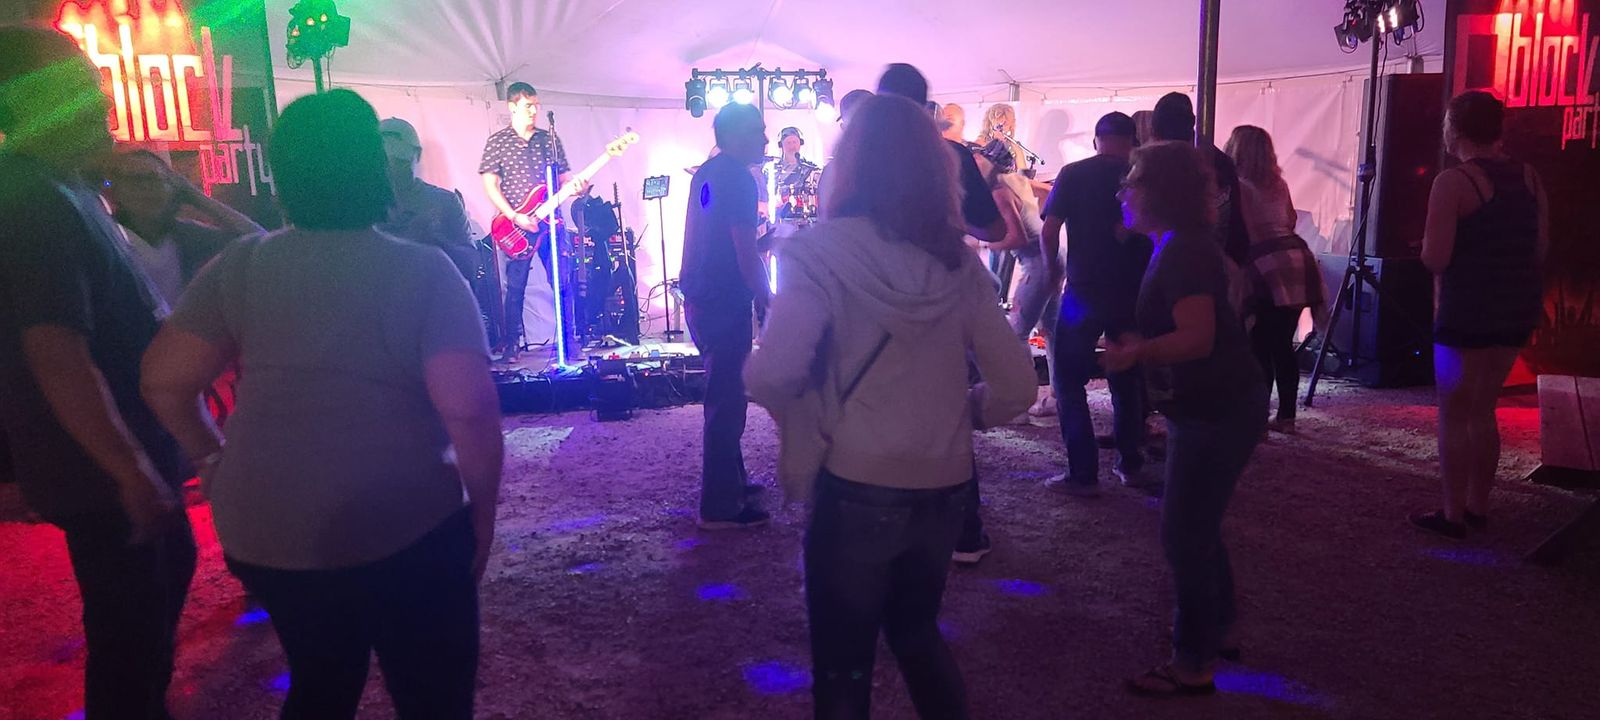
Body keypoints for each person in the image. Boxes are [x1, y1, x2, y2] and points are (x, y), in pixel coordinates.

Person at [140, 89, 503, 719]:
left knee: (320, 678)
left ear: (281, 176)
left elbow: (162, 381)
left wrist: (210, 456)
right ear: (377, 169)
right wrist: (483, 515)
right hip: (404, 522)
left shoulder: (242, 264)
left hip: (265, 525)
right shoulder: (424, 271)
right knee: (434, 694)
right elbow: (469, 411)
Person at [746, 93, 1036, 720]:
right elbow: (1018, 387)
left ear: (849, 163)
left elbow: (771, 373)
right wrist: (967, 411)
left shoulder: (818, 252)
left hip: (856, 477)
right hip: (943, 479)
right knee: (916, 632)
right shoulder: (958, 262)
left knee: (843, 664)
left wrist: (810, 414)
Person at [0, 26, 196, 718]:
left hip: (118, 450)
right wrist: (129, 470)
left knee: (157, 590)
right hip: (100, 464)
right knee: (130, 629)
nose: (103, 98)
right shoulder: (34, 201)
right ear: (30, 102)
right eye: (82, 85)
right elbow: (55, 350)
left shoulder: (64, 187)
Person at [1103, 141, 1266, 698]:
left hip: (1217, 408)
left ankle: (1192, 663)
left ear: (1161, 192)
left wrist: (1137, 353)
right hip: (1212, 404)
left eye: (1131, 181)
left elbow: (1198, 339)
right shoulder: (1178, 244)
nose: (1122, 192)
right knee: (1199, 524)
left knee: (1183, 534)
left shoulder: (1184, 252)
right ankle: (1219, 627)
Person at [876, 62, 1009, 565]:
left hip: (878, 298)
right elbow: (995, 231)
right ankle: (963, 533)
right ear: (926, 106)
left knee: (881, 407)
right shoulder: (950, 156)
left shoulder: (862, 161)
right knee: (947, 408)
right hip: (939, 295)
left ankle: (892, 528)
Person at [1409, 91, 1547, 539]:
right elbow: (1539, 248)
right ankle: (1478, 507)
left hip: (1465, 312)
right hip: (1515, 308)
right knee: (1485, 410)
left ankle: (1452, 514)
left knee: (1454, 413)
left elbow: (1435, 257)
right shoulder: (1530, 178)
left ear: (1455, 129)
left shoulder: (1453, 182)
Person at [1041, 112, 1154, 494]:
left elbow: (1049, 229)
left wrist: (1053, 271)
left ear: (1096, 140)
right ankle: (1130, 463)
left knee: (1068, 380)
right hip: (1130, 291)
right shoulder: (1141, 174)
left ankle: (1083, 473)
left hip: (1083, 289)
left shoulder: (1073, 173)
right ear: (1132, 140)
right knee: (1126, 377)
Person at [680, 103, 772, 530]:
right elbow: (743, 251)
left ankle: (731, 484)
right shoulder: (738, 179)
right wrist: (767, 297)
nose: (766, 139)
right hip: (722, 297)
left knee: (725, 393)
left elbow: (719, 237)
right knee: (727, 400)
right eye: (758, 131)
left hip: (701, 295)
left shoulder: (708, 172)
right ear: (735, 135)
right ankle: (719, 506)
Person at [1226, 125, 1325, 435]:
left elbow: (1244, 229)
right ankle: (1286, 416)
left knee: (1259, 344)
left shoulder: (1239, 185)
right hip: (1297, 258)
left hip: (1265, 262)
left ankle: (1257, 419)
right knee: (1282, 343)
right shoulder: (1279, 183)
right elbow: (1291, 220)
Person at [478, 82, 574, 363]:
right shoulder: (498, 142)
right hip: (518, 225)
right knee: (515, 288)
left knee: (562, 282)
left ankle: (569, 341)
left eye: (536, 106)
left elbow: (565, 179)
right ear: (512, 107)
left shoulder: (549, 140)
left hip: (550, 223)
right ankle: (512, 345)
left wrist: (576, 187)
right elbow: (490, 185)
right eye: (528, 106)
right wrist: (513, 215)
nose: (534, 111)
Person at [97, 148, 264, 307]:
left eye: (155, 179)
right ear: (115, 190)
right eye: (135, 179)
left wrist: (196, 197)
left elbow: (259, 240)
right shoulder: (103, 237)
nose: (146, 188)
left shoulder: (188, 235)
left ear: (174, 188)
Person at [1151, 92, 1249, 267]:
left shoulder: (1165, 163)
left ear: (1156, 131)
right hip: (1222, 257)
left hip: (1196, 260)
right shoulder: (1220, 160)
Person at [379, 117, 478, 283]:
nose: (393, 168)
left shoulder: (444, 201)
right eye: (386, 162)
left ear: (417, 155)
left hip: (430, 291)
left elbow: (470, 265)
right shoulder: (363, 205)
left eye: (400, 162)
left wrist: (434, 241)